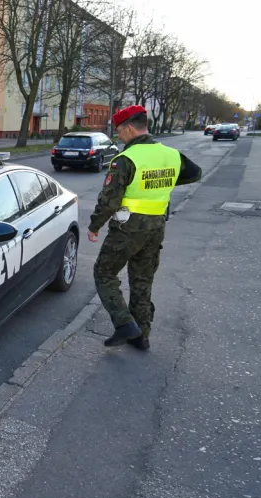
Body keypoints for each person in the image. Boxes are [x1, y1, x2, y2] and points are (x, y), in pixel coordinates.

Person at [87, 106, 202, 350]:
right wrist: (165, 181)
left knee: (104, 273)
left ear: (129, 128)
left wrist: (94, 226)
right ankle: (142, 336)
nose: (118, 135)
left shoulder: (126, 159)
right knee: (142, 280)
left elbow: (110, 201)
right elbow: (195, 173)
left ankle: (124, 323)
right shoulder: (170, 154)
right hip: (156, 227)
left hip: (128, 228)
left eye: (119, 130)